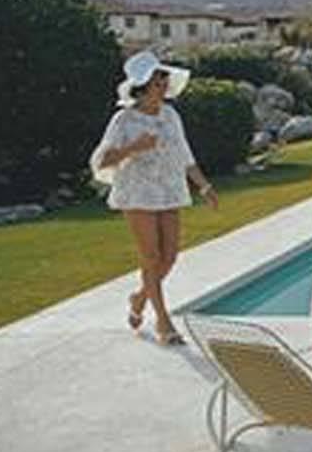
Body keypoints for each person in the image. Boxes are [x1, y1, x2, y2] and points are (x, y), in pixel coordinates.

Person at [90, 50, 218, 345]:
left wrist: (204, 186)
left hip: (169, 190)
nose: (164, 87)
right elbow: (102, 161)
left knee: (169, 257)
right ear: (143, 86)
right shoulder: (124, 120)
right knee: (151, 257)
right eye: (158, 82)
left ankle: (139, 298)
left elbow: (186, 155)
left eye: (164, 81)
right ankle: (163, 321)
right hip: (137, 193)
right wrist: (134, 147)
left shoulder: (171, 115)